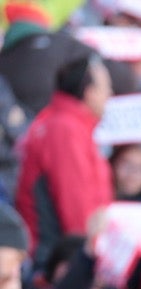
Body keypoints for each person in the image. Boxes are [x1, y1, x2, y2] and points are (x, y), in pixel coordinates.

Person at [14, 54, 112, 267]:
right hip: (55, 257)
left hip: (56, 251)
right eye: (106, 88)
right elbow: (75, 204)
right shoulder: (65, 129)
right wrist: (87, 259)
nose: (110, 95)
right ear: (89, 92)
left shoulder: (67, 123)